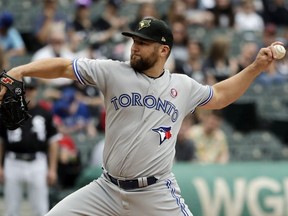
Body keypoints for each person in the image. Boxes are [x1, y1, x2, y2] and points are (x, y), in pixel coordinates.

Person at [0, 17, 282, 216]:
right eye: (134, 40)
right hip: (106, 189)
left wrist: (255, 67)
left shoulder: (182, 86)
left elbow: (220, 96)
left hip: (155, 192)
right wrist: (20, 71)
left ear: (163, 50)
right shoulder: (112, 71)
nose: (134, 46)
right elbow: (63, 67)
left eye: (143, 42)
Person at [0, 77, 60, 216]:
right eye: (24, 89)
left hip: (37, 163)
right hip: (13, 162)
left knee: (40, 208)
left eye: (31, 88)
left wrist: (52, 169)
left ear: (36, 90)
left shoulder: (45, 113)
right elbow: (1, 141)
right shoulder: (7, 112)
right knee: (11, 209)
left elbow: (53, 142)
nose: (28, 92)